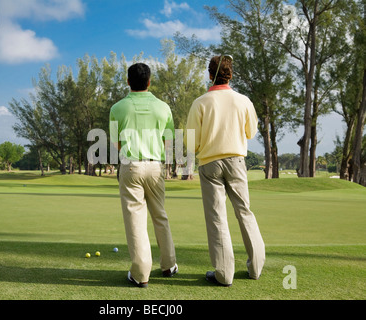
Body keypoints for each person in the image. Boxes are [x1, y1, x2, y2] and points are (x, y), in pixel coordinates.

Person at [186, 55, 265, 286]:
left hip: (210, 164)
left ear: (210, 75)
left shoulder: (200, 102)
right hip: (237, 162)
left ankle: (223, 274)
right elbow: (251, 133)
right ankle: (256, 269)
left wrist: (203, 146)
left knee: (217, 217)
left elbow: (191, 142)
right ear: (230, 75)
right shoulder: (243, 101)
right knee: (245, 212)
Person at [110, 63, 178, 288]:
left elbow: (115, 142)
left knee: (135, 221)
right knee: (160, 216)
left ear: (128, 81)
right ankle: (168, 265)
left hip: (131, 167)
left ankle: (140, 275)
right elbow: (168, 142)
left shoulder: (118, 108)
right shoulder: (163, 107)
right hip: (155, 166)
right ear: (149, 81)